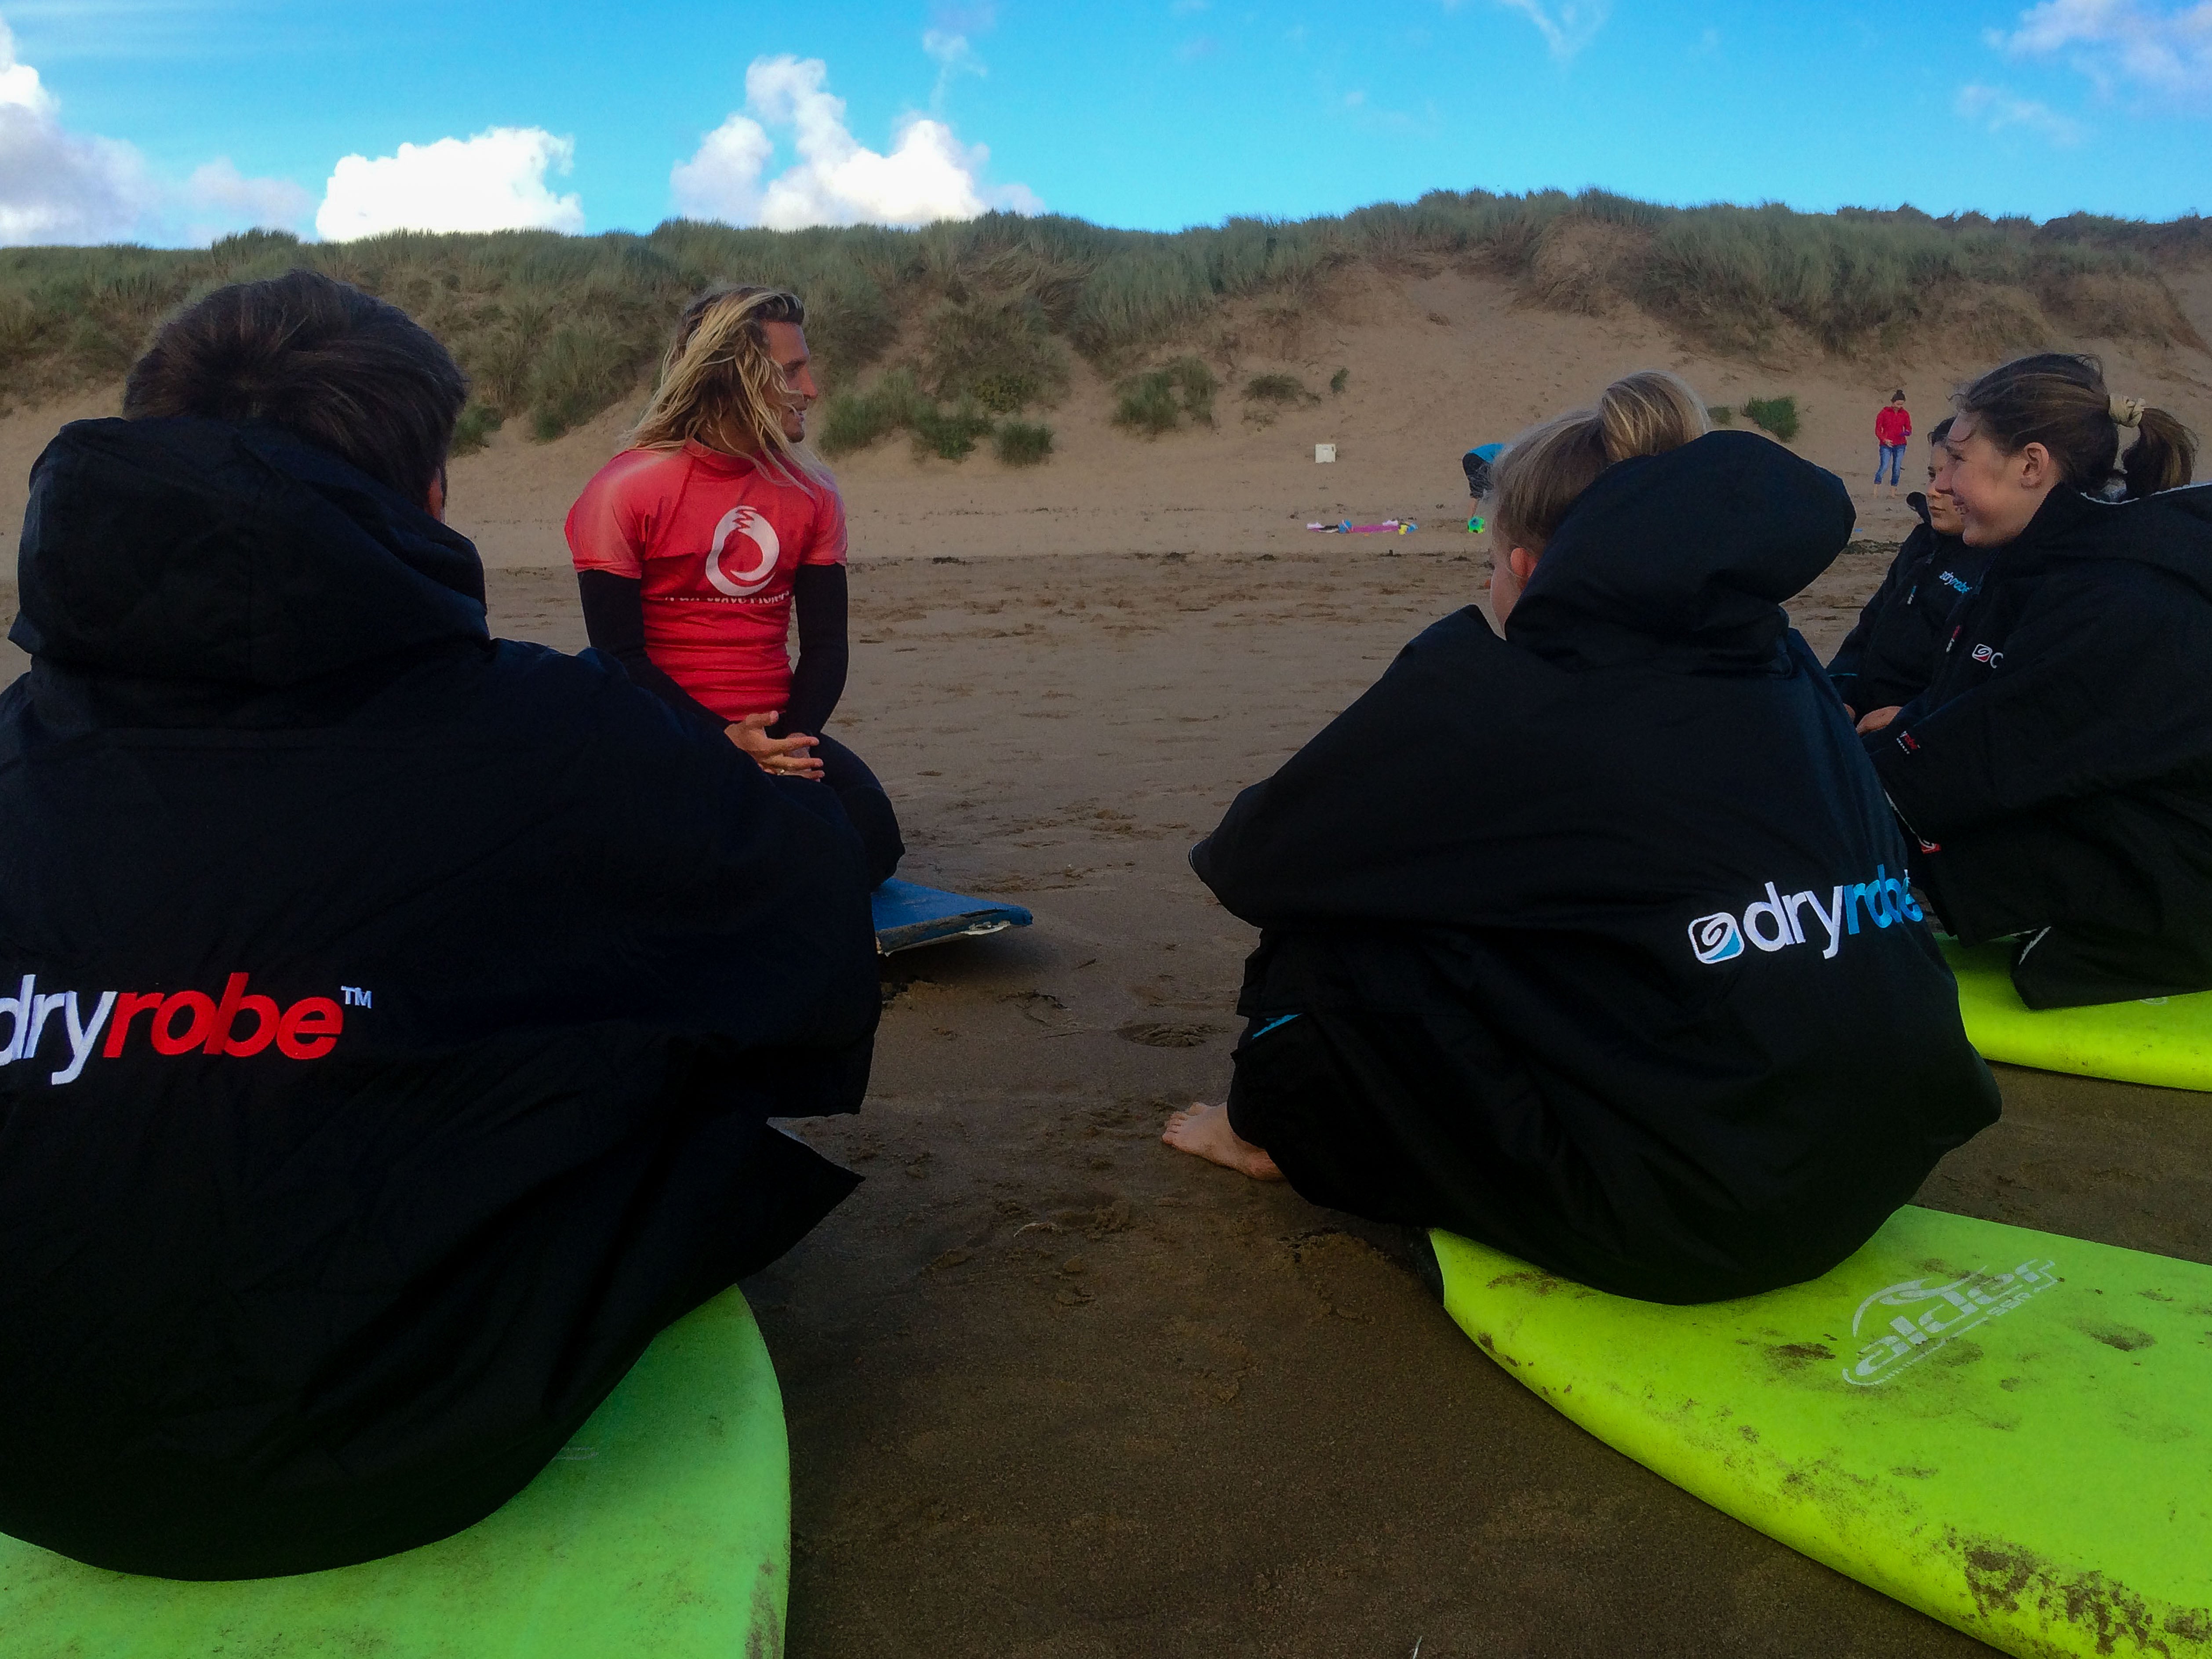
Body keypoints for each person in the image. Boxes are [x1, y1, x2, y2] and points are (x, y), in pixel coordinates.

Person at [0, 271, 880, 1578]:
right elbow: (806, 956)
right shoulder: (559, 736)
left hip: (29, 1460)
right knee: (680, 1028)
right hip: (420, 1443)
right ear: (428, 499)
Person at [1163, 371, 1998, 1305]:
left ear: (1524, 567)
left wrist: (1455, 663)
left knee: (1332, 926)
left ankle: (1264, 1131)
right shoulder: (1776, 653)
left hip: (1701, 1219)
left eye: (1490, 562)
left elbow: (1251, 863)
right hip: (1877, 1159)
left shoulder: (1507, 686)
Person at [1856, 353, 2211, 1008]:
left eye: (1958, 460)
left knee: (1900, 830)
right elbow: (1960, 708)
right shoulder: (2036, 560)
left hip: (2184, 880)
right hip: (2130, 818)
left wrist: (1828, 782)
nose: (1943, 484)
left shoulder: (2120, 598)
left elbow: (1988, 749)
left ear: (2030, 465)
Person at [568, 286, 903, 888]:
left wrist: (787, 749)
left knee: (872, 834)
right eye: (792, 371)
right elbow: (617, 658)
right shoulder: (628, 490)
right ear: (735, 377)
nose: (812, 389)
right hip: (661, 731)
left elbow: (827, 647)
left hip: (774, 730)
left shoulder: (812, 493)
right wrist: (720, 741)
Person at [1828, 418, 1990, 723]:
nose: (1934, 490)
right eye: (1932, 474)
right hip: (1862, 715)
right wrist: (1841, 694)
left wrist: (1913, 718)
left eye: (1953, 477)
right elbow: (1868, 627)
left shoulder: (1993, 564)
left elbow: (1978, 685)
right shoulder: (1921, 543)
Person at [1875, 390, 1912, 497]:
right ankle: (1876, 489)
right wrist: (1884, 439)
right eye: (1898, 404)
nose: (1899, 406)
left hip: (1900, 444)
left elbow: (1909, 429)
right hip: (1886, 444)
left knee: (1897, 467)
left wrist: (1905, 433)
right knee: (1884, 466)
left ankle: (1893, 492)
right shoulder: (1884, 413)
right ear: (1893, 402)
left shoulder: (1905, 414)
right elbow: (1878, 430)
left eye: (1902, 404)